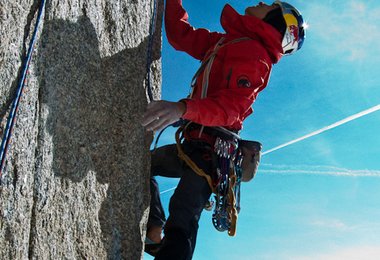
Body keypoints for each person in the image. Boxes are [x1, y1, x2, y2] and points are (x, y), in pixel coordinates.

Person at [141, 1, 306, 259]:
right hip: (195, 141)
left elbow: (231, 108)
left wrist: (182, 109)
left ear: (277, 23)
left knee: (184, 212)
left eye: (271, 5)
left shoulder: (256, 57)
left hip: (212, 151)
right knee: (143, 166)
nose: (263, 2)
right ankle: (153, 230)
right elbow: (180, 36)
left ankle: (162, 240)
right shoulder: (227, 42)